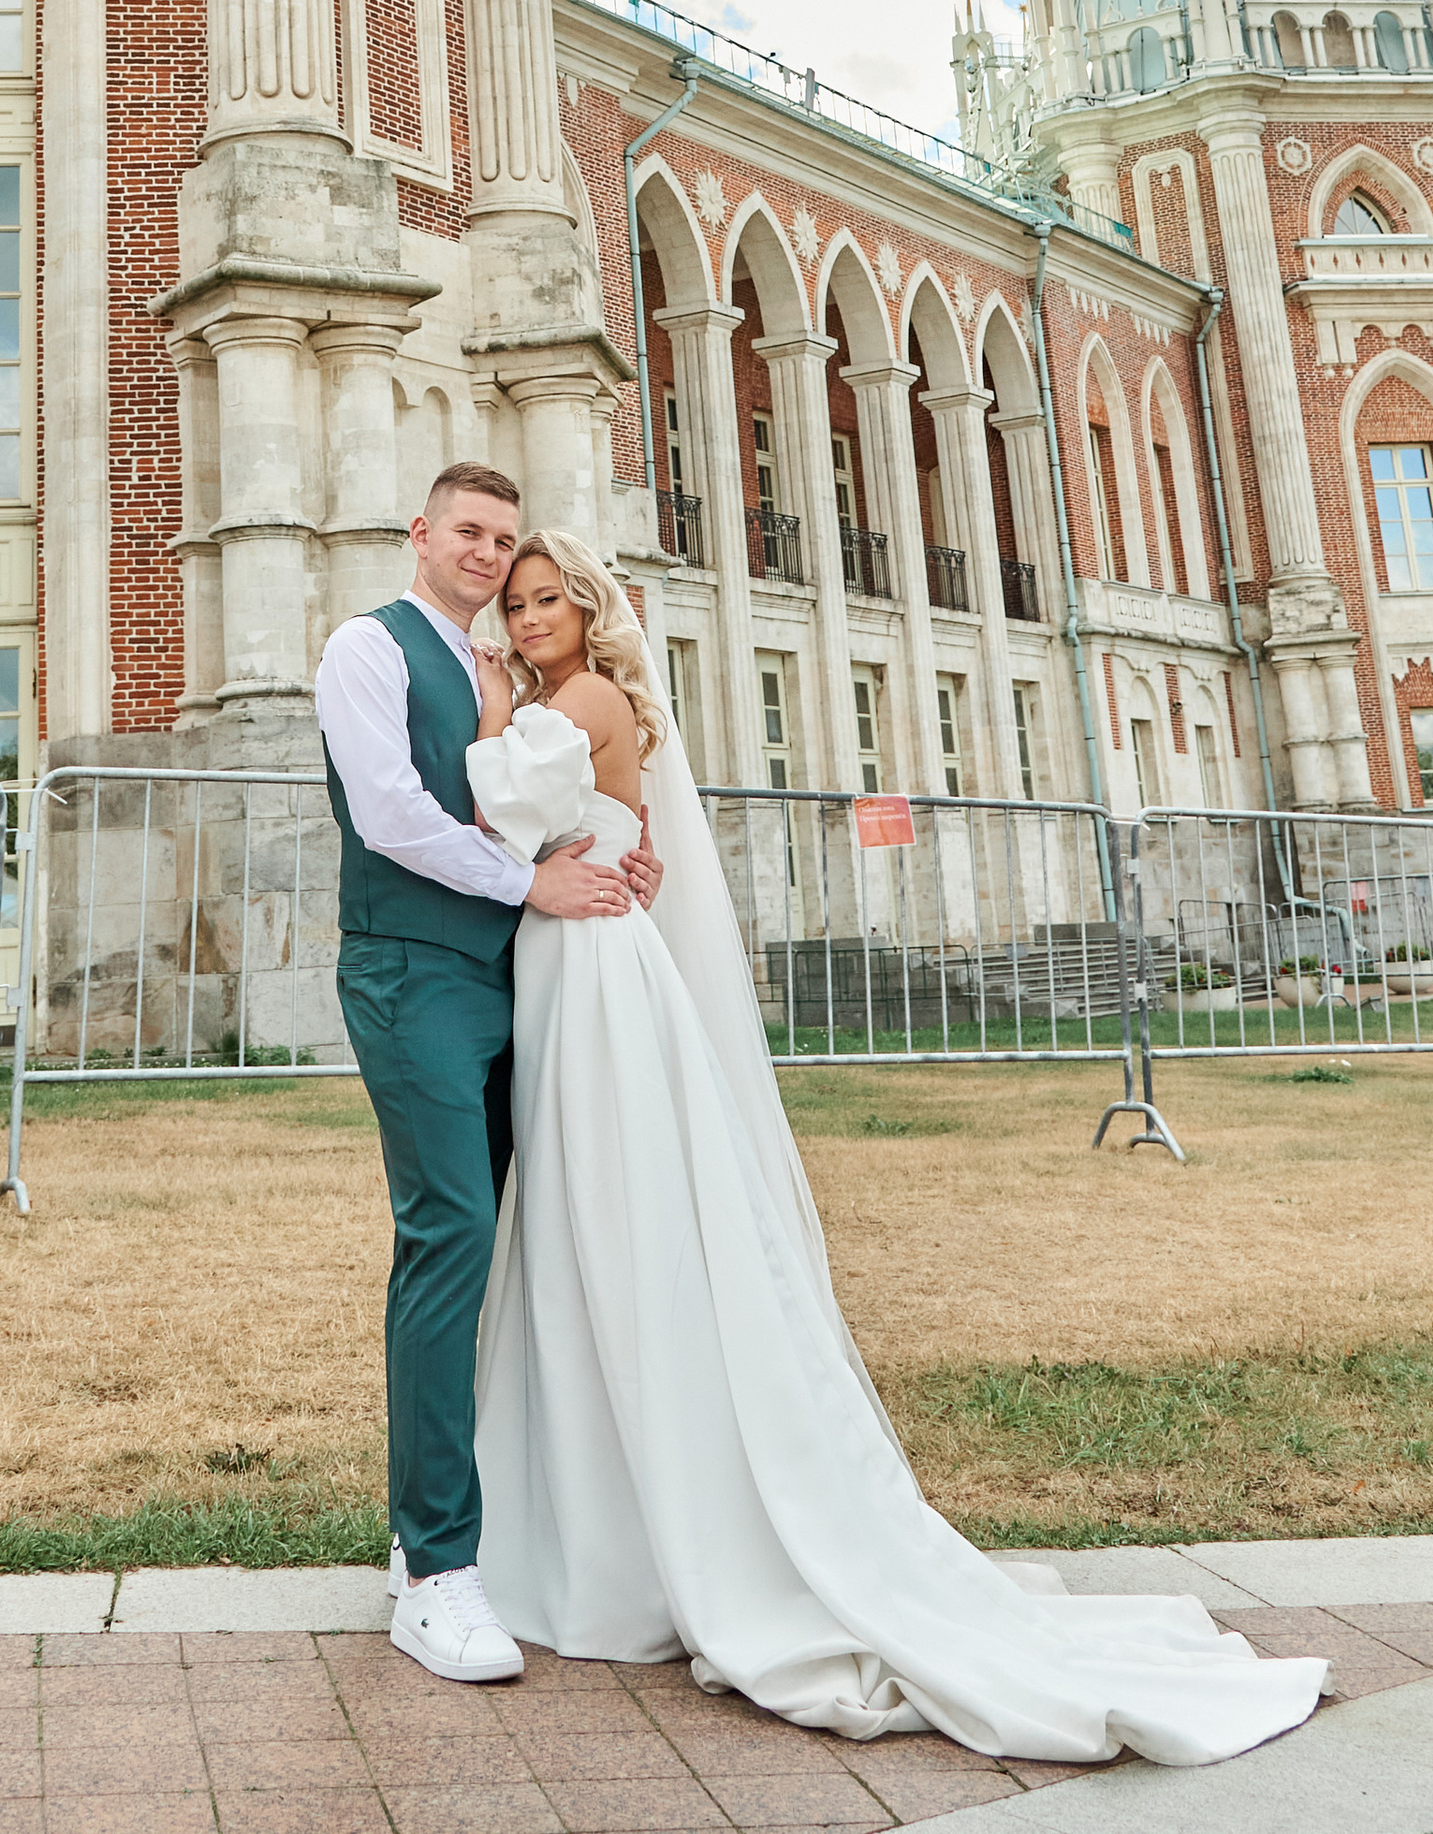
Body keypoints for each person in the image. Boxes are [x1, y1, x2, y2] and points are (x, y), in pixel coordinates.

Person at [462, 529, 1331, 1769]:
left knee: (603, 1206)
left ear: (591, 614)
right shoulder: (587, 703)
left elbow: (497, 800)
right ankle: (597, 1513)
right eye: (517, 601)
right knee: (581, 1214)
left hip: (590, 966)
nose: (531, 615)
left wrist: (491, 698)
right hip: (575, 955)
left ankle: (626, 1537)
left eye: (548, 599)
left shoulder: (582, 697)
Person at [313, 463, 661, 1687]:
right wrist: (536, 882)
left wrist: (616, 850)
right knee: (450, 1232)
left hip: (530, 972)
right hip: (415, 977)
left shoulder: (504, 675)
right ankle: (434, 1566)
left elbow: (551, 803)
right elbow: (392, 816)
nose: (486, 555)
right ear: (421, 534)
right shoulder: (366, 648)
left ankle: (505, 1523)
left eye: (503, 540)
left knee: (529, 1238)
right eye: (468, 532)